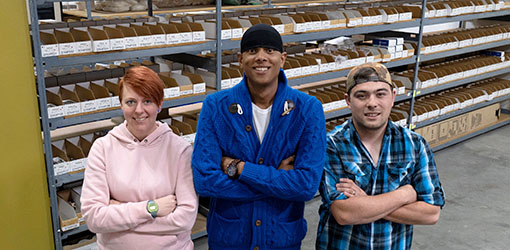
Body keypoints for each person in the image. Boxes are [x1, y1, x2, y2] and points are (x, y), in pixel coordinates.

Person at [192, 23, 326, 250]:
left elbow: (305, 186)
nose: (261, 57)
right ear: (240, 59)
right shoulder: (215, 107)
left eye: (269, 51)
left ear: (282, 59)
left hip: (281, 238)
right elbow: (205, 181)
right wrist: (277, 182)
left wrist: (240, 168)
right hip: (230, 240)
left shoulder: (308, 109)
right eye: (252, 51)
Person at [316, 62, 445, 250]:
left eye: (380, 94)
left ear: (392, 97)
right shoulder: (331, 145)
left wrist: (365, 202)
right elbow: (344, 214)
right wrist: (404, 194)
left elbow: (430, 213)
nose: (372, 103)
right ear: (348, 101)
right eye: (362, 95)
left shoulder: (414, 145)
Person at [81, 66, 198, 250]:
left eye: (148, 101)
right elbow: (94, 218)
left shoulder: (179, 150)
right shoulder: (103, 148)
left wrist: (118, 213)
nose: (139, 110)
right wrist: (152, 208)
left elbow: (185, 219)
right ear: (120, 104)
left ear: (160, 104)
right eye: (130, 102)